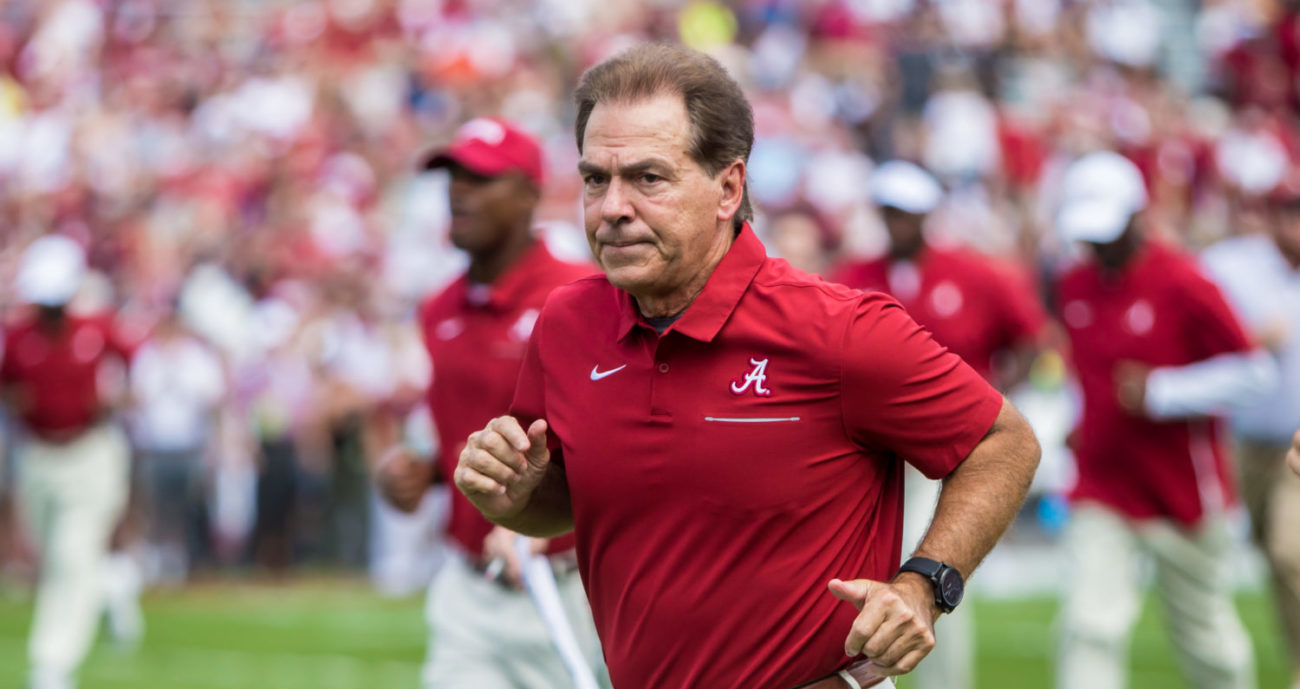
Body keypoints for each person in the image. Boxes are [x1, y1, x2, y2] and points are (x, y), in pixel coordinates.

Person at [454, 43, 1042, 689]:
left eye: (648, 178)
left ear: (728, 188)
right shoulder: (567, 323)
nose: (612, 207)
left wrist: (925, 583)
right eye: (596, 179)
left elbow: (1003, 441)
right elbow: (564, 505)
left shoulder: (839, 329)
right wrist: (513, 497)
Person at [374, 117, 608, 689]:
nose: (458, 192)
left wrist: (537, 517)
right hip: (470, 582)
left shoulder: (583, 297)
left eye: (480, 179)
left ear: (528, 194)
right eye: (453, 177)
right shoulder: (439, 308)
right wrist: (425, 472)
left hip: (567, 583)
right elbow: (462, 434)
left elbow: (611, 439)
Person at [1052, 151, 1274, 689]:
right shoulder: (1074, 284)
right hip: (1103, 484)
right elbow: (1085, 368)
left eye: (1107, 231)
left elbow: (1254, 371)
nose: (1097, 245)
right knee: (1088, 625)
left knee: (1206, 640)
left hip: (1181, 490)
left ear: (1138, 216)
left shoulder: (1183, 280)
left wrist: (1163, 392)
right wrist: (1078, 418)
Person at [830, 159, 1046, 689]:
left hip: (949, 447)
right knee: (865, 566)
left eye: (905, 212)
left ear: (926, 215)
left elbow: (1029, 336)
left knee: (930, 565)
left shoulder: (974, 273)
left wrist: (997, 399)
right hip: (874, 452)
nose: (896, 222)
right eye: (888, 212)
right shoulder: (856, 275)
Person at [1, 235, 135, 689]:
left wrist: (118, 398)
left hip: (90, 454)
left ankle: (51, 665)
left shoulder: (96, 329)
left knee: (70, 556)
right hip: (39, 456)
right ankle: (112, 583)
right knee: (53, 554)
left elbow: (139, 362)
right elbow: (8, 386)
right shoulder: (19, 338)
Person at [1201, 179, 1300, 689]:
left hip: (1295, 445)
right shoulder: (1231, 267)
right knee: (1263, 559)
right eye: (1290, 213)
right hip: (1239, 442)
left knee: (1290, 551)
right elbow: (1192, 335)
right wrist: (1249, 340)